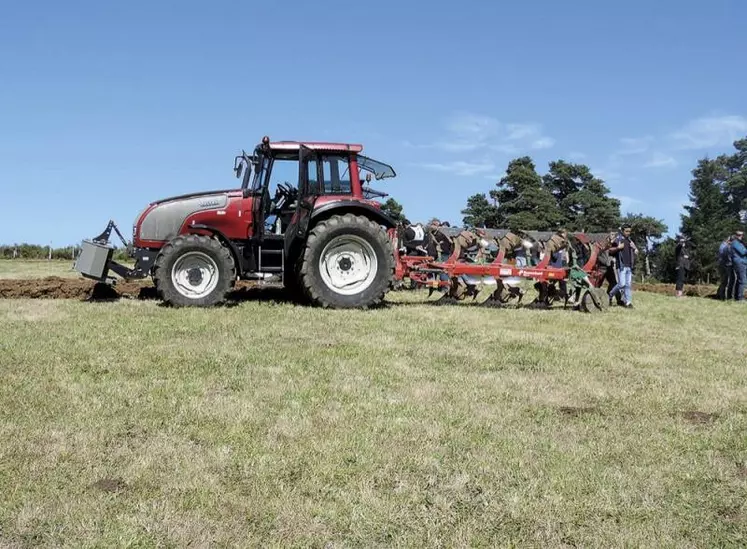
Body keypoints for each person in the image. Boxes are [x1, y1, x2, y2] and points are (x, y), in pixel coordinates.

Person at [608, 224, 637, 308]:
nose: (628, 233)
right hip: (621, 265)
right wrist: (618, 248)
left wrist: (635, 249)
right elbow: (610, 251)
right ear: (622, 231)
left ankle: (628, 302)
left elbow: (633, 248)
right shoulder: (618, 239)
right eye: (626, 231)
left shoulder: (629, 240)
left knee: (628, 285)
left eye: (629, 231)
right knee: (621, 284)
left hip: (629, 265)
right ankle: (610, 295)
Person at [717, 235, 735, 300]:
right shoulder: (724, 246)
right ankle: (721, 296)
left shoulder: (723, 245)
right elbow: (725, 256)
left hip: (722, 264)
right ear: (727, 240)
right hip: (723, 265)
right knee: (724, 281)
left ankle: (719, 294)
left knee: (724, 281)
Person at [731, 230, 746, 302]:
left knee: (739, 280)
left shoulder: (740, 243)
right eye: (739, 235)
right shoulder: (735, 243)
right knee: (743, 280)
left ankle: (737, 297)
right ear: (736, 235)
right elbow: (742, 252)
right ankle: (740, 298)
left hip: (742, 262)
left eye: (742, 235)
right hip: (740, 263)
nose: (741, 236)